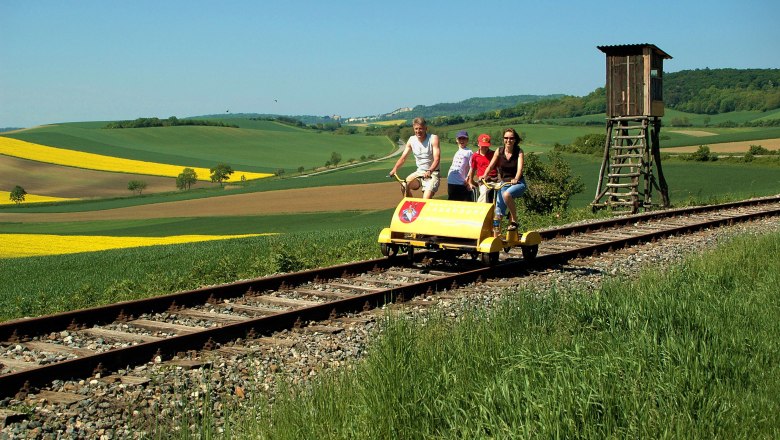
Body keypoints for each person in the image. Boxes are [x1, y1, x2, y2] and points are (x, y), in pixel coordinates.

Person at [480, 128, 527, 237]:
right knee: (498, 213)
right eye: (506, 138)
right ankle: (496, 237)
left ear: (515, 140)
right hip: (504, 183)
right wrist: (484, 175)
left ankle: (514, 220)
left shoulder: (519, 152)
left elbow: (520, 169)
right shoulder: (499, 151)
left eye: (511, 138)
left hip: (518, 183)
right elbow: (491, 165)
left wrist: (516, 178)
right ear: (503, 139)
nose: (508, 140)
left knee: (507, 195)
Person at [390, 117, 441, 199]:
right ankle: (411, 208)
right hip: (419, 173)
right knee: (404, 186)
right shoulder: (411, 140)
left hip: (432, 173)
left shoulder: (433, 138)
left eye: (421, 129)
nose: (418, 131)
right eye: (416, 129)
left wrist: (429, 171)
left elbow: (437, 159)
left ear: (426, 128)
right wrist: (395, 169)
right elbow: (403, 158)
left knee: (426, 199)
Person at [467, 133, 498, 203]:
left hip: (495, 179)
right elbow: (473, 169)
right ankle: (482, 210)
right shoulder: (475, 156)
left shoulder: (494, 154)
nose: (484, 148)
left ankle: (499, 212)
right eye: (482, 146)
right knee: (483, 192)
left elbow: (499, 167)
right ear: (478, 144)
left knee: (504, 191)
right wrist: (470, 182)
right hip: (484, 181)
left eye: (486, 146)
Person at [446, 130, 473, 201]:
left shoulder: (469, 152)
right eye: (460, 138)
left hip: (461, 182)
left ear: (467, 140)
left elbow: (472, 167)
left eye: (464, 138)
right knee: (452, 204)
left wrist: (468, 178)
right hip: (451, 181)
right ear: (456, 140)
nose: (462, 140)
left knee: (465, 204)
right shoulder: (457, 152)